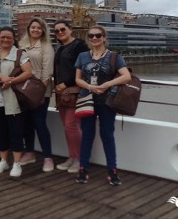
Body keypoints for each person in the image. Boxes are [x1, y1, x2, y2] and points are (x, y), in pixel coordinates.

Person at [74, 25, 131, 185]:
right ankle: (83, 168)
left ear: (104, 38)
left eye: (98, 35)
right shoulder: (83, 56)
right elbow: (77, 79)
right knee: (87, 135)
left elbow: (126, 76)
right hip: (87, 100)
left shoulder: (114, 56)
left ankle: (112, 170)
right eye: (91, 36)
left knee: (107, 135)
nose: (94, 38)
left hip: (107, 102)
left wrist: (107, 84)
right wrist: (90, 87)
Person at [0, 26, 32, 177]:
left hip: (14, 99)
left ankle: (16, 163)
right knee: (0, 131)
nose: (5, 39)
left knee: (16, 131)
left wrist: (11, 81)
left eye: (8, 37)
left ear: (13, 39)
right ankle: (4, 160)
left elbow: (28, 72)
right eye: (2, 37)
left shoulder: (19, 53)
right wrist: (2, 78)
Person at [18, 17, 55, 172]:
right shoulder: (22, 44)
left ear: (43, 31)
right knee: (26, 123)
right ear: (29, 29)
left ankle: (47, 157)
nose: (35, 30)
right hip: (23, 89)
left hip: (40, 90)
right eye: (33, 27)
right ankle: (30, 152)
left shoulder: (46, 47)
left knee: (39, 123)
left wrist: (39, 93)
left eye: (39, 28)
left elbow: (47, 72)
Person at [53, 20, 88, 173]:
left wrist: (66, 83)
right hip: (62, 94)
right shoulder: (60, 49)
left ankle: (80, 159)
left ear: (70, 30)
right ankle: (72, 156)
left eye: (63, 29)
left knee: (71, 126)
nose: (60, 32)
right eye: (57, 31)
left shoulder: (79, 45)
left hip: (75, 92)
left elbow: (83, 68)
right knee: (67, 128)